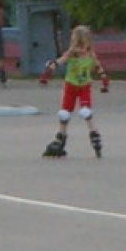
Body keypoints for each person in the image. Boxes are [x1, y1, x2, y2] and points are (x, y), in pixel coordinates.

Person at [38, 24, 108, 158]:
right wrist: (49, 70)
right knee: (65, 111)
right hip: (70, 86)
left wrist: (104, 78)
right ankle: (61, 138)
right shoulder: (71, 54)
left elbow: (98, 66)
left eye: (83, 46)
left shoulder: (90, 54)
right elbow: (60, 61)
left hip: (84, 87)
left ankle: (94, 133)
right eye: (79, 45)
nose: (81, 49)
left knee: (85, 110)